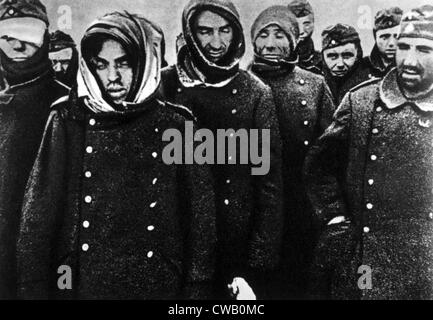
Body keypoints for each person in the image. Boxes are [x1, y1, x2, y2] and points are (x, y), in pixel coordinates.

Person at [17, 11, 216, 300]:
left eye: (124, 64)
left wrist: (197, 288)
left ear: (145, 62)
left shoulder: (179, 125)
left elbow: (201, 218)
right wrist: (31, 288)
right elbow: (37, 217)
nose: (112, 77)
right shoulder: (67, 119)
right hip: (76, 281)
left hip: (158, 282)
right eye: (101, 65)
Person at [304, 5, 433, 300]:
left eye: (424, 49)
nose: (409, 60)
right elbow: (319, 166)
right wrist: (336, 219)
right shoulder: (360, 101)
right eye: (403, 47)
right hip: (367, 257)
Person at [161, 0, 283, 299]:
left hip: (234, 247)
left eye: (224, 30)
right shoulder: (165, 85)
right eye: (205, 31)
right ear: (190, 33)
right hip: (175, 240)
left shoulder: (255, 93)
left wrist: (257, 264)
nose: (216, 42)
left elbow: (268, 184)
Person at [249, 5, 335, 299]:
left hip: (303, 210)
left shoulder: (314, 86)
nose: (271, 44)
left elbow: (330, 155)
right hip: (256, 207)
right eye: (263, 35)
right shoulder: (241, 84)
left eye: (280, 35)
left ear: (295, 40)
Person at [0, 0, 68, 299]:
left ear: (44, 37)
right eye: (6, 35)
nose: (17, 43)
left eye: (27, 33)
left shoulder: (67, 103)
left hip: (46, 251)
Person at [321, 23, 367, 105]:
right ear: (323, 56)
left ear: (357, 55)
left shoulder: (367, 81)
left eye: (347, 56)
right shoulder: (316, 81)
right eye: (332, 56)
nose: (340, 64)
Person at [354, 7, 403, 81]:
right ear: (375, 38)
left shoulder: (409, 66)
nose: (391, 43)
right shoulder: (361, 67)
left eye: (397, 36)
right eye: (384, 37)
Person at [287, 0, 321, 74]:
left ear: (313, 24)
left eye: (307, 24)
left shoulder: (323, 61)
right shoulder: (278, 61)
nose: (301, 31)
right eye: (295, 25)